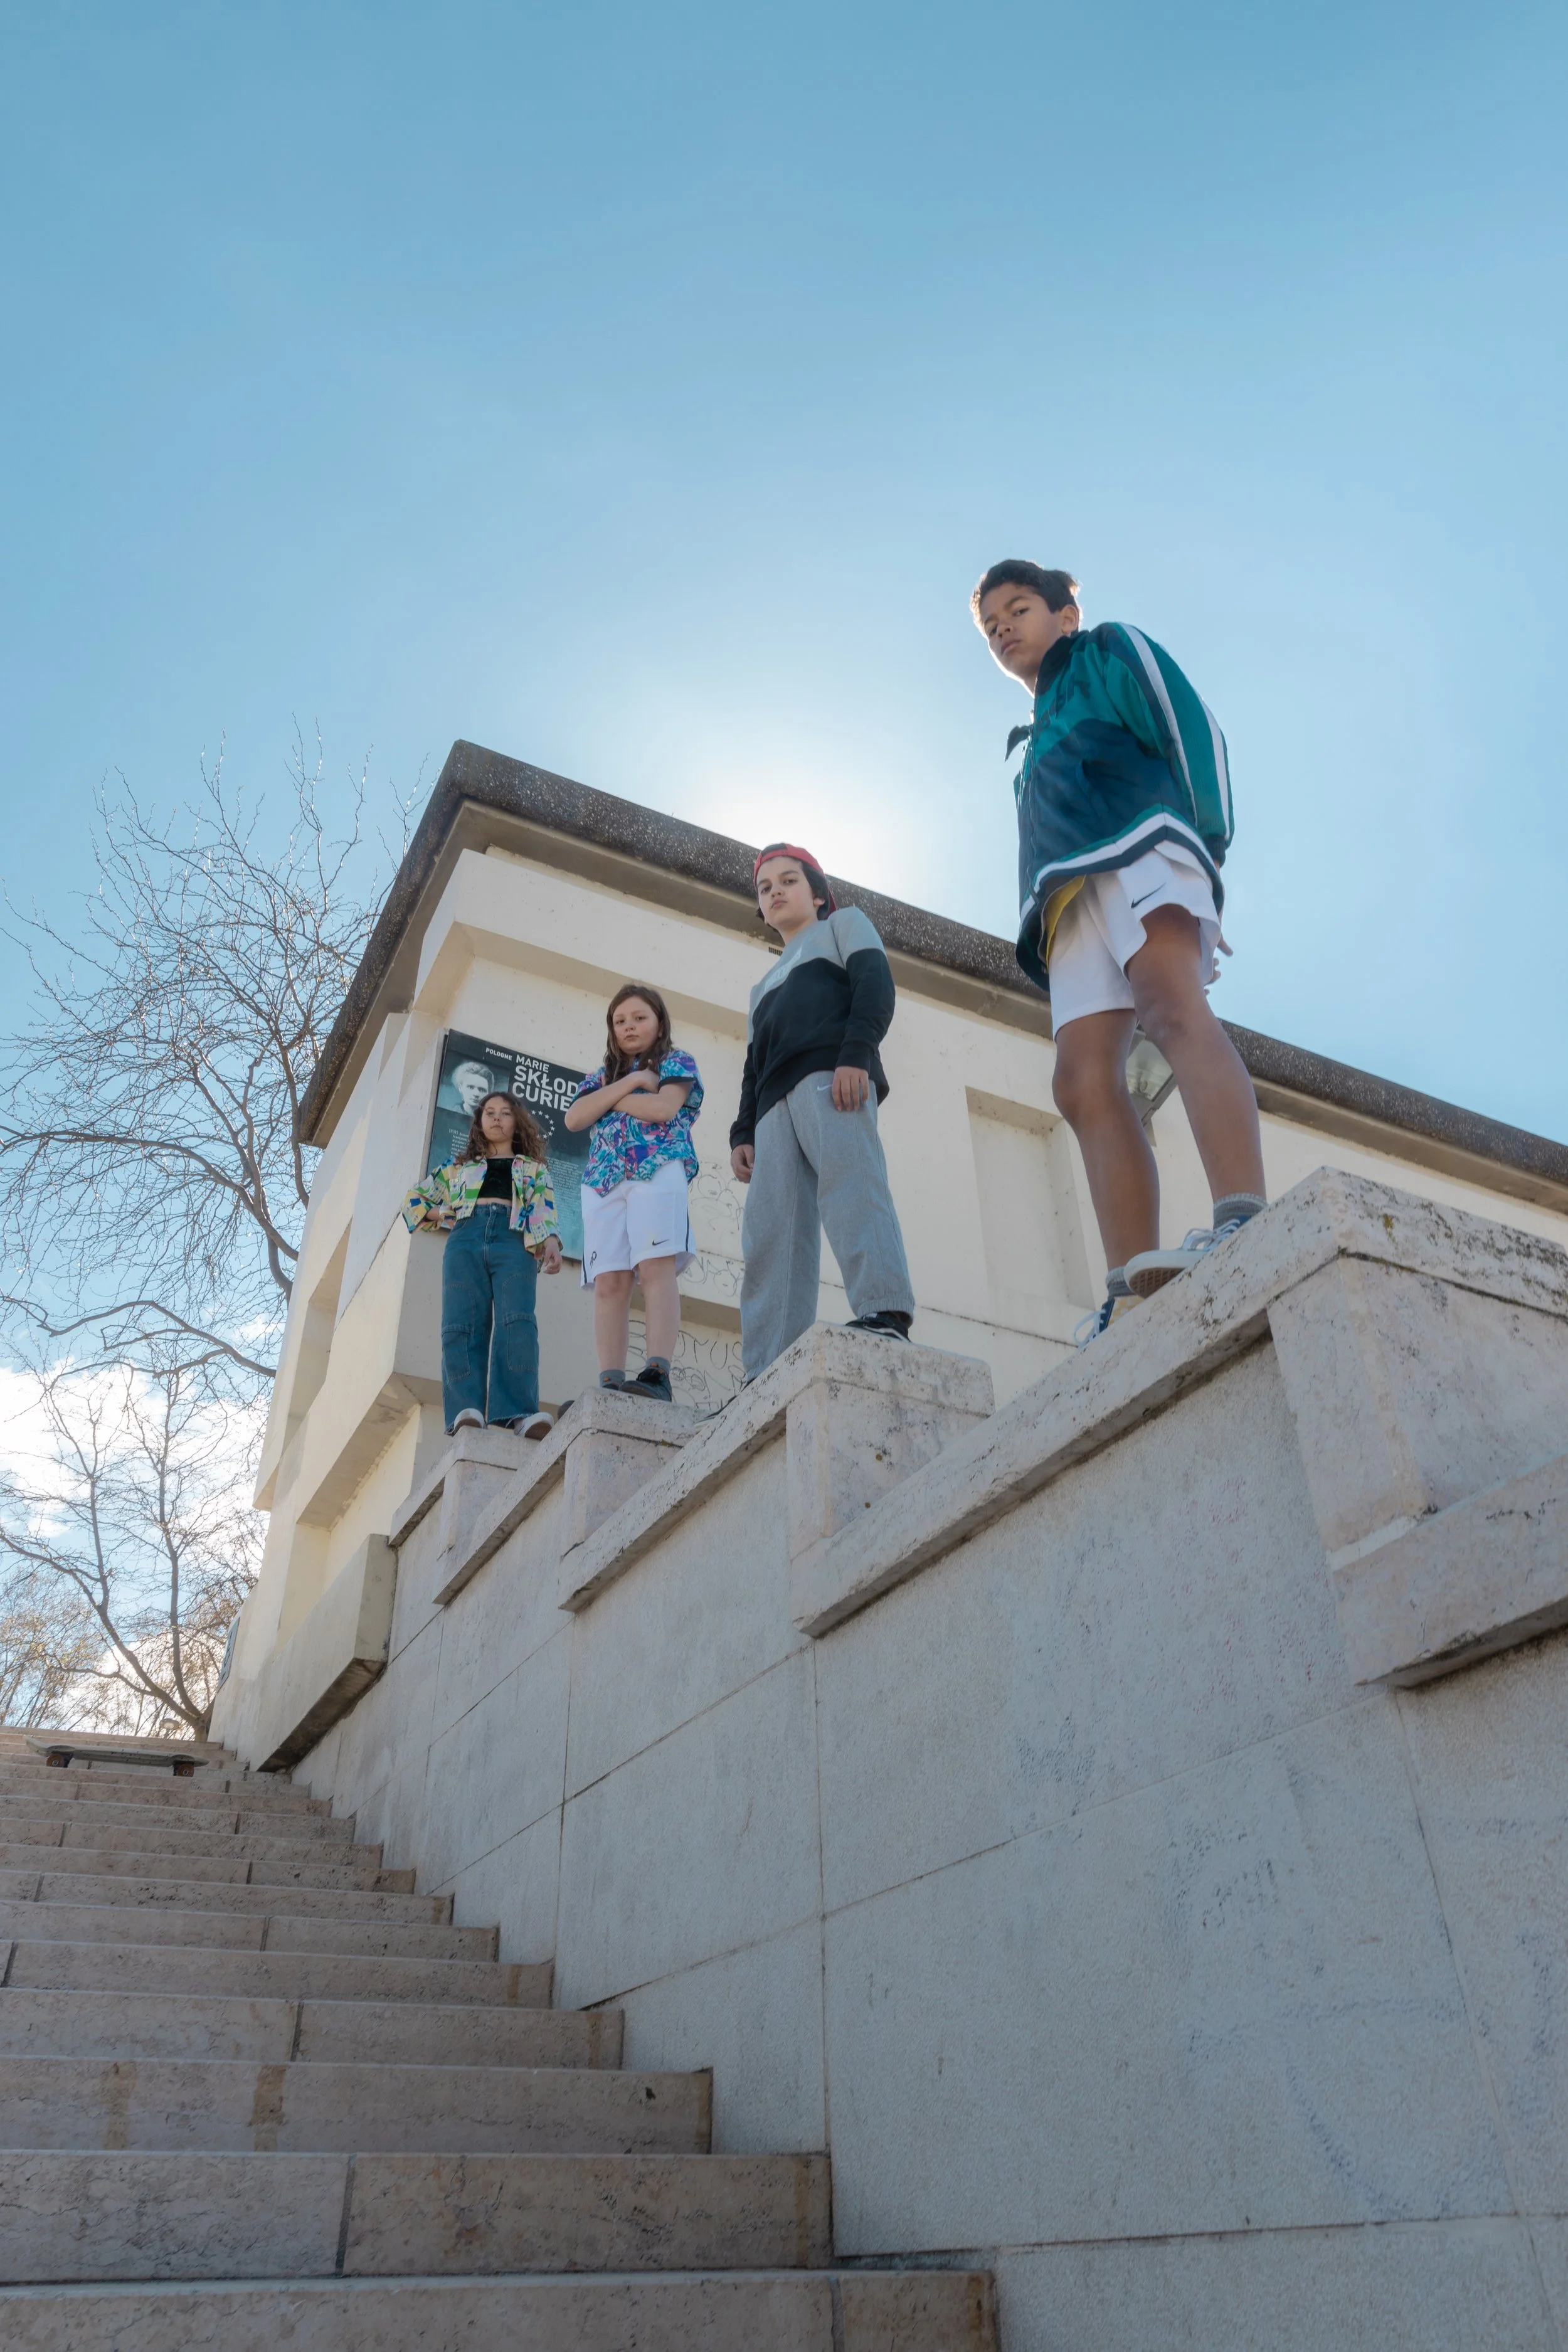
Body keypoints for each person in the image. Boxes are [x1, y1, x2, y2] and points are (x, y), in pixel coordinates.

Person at [972, 560, 1268, 1340]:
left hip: (1143, 848)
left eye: (1018, 608)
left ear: (1064, 614)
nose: (1003, 627)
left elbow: (1190, 730)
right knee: (1078, 1081)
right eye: (990, 624)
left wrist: (1204, 847)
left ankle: (1243, 1214)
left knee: (1172, 1008)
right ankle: (1130, 1287)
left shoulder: (1109, 650)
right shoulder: (1028, 747)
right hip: (1066, 902)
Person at [729, 844, 914, 1380]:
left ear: (817, 893)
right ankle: (765, 1367)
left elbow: (875, 988)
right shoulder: (760, 987)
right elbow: (751, 1063)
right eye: (765, 889)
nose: (776, 893)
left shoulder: (844, 926)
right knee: (770, 1232)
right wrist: (744, 1130)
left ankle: (884, 1310)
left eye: (788, 881)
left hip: (831, 1079)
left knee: (852, 1186)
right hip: (770, 1109)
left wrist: (856, 1053)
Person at [563, 983, 702, 1406]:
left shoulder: (676, 1063)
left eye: (639, 1017)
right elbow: (574, 1119)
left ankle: (658, 1372)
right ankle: (610, 1384)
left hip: (656, 1170)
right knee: (609, 1281)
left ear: (659, 1022)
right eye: (620, 1020)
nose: (629, 1026)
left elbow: (663, 1109)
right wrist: (633, 1084)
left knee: (655, 1267)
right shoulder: (598, 1077)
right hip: (603, 1181)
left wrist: (609, 1099)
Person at [404, 1090, 563, 1437]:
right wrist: (442, 1212)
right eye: (488, 1112)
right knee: (461, 1325)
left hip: (514, 1240)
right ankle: (466, 1412)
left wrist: (550, 1242)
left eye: (505, 1113)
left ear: (516, 1122)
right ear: (479, 1121)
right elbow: (415, 1202)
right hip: (465, 1239)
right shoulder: (458, 1168)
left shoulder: (534, 1170)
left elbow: (543, 1212)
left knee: (518, 1322)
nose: (496, 1118)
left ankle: (518, 1413)